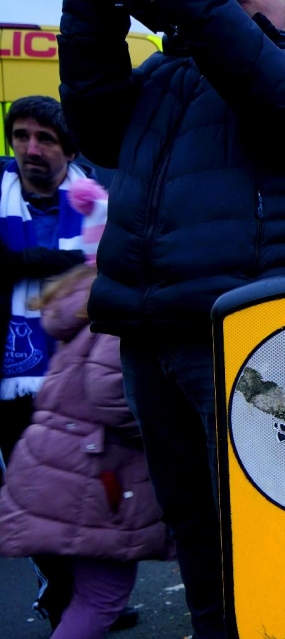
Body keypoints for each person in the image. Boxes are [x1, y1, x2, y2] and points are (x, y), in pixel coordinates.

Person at [58, 0, 285, 636]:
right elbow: (96, 127)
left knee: (280, 523)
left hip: (263, 344)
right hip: (152, 337)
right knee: (195, 528)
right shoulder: (162, 79)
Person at [0, 183, 172, 638]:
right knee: (101, 600)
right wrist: (168, 418)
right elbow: (112, 391)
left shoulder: (89, 300)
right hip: (96, 476)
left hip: (70, 467)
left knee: (90, 595)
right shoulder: (119, 314)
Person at [0, 95, 93, 628]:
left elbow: (109, 269)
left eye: (46, 139)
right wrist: (67, 262)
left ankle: (88, 598)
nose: (30, 149)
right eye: (21, 136)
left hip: (78, 380)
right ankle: (61, 604)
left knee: (84, 500)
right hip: (10, 385)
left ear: (68, 149)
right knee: (33, 507)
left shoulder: (96, 203)